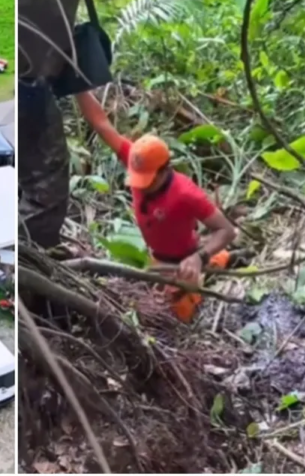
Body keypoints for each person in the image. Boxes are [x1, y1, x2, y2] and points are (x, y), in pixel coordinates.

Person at [75, 92, 237, 323]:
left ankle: (215, 260)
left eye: (148, 181)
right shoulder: (136, 160)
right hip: (157, 258)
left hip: (184, 261)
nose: (141, 186)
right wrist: (75, 85)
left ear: (164, 170)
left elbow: (226, 230)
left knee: (177, 318)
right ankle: (217, 259)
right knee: (148, 309)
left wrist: (198, 258)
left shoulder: (185, 194)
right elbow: (101, 124)